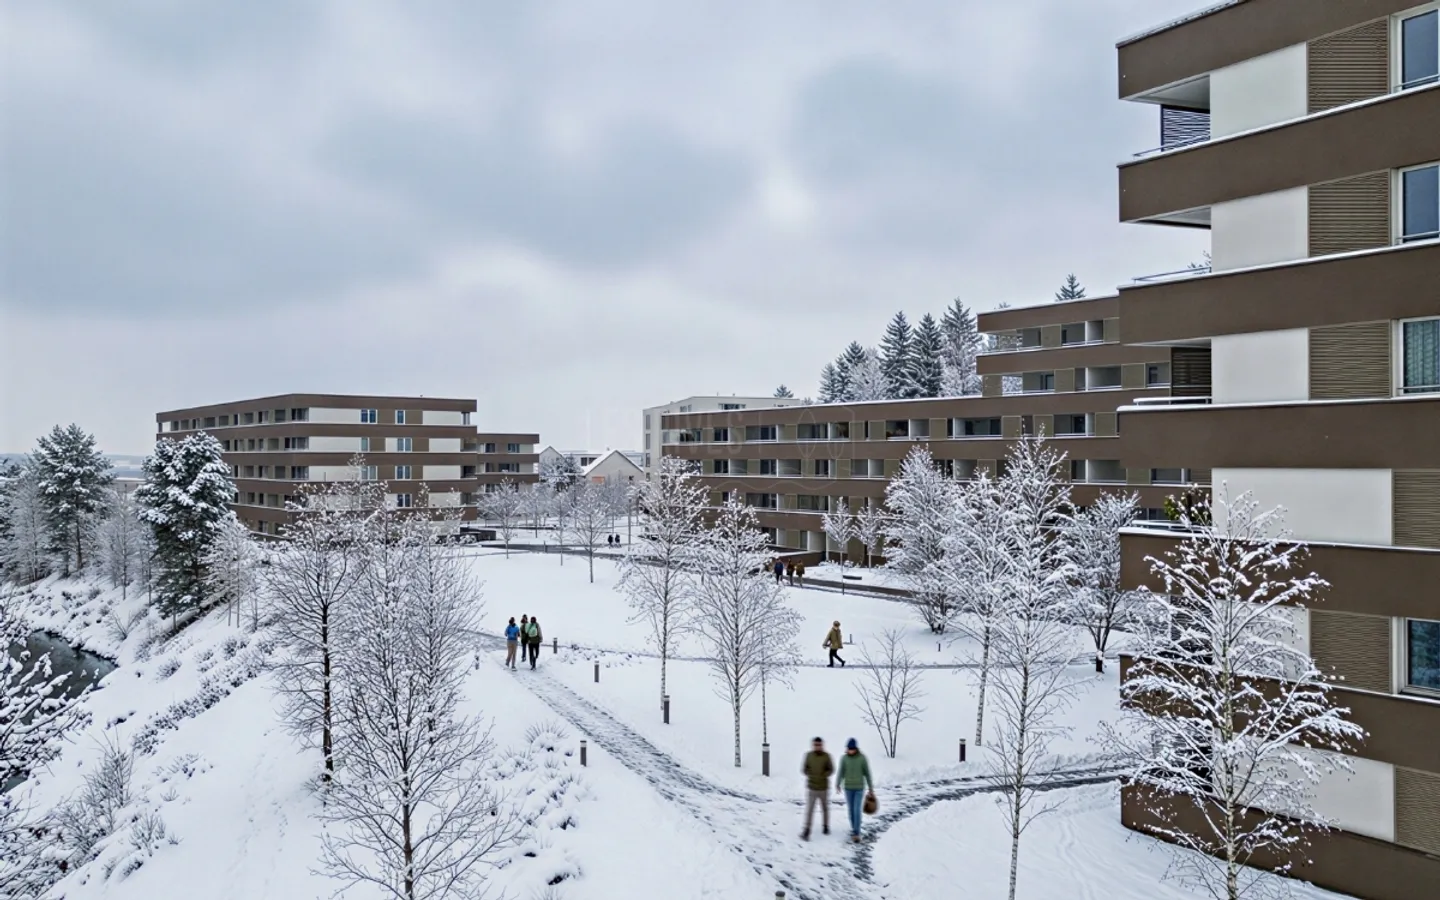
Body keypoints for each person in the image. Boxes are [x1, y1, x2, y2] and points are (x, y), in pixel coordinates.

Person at [836, 738, 873, 843]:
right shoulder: (844, 759)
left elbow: (867, 773)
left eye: (852, 748)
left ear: (856, 748)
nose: (850, 750)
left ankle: (857, 832)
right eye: (849, 748)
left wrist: (871, 788)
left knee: (857, 809)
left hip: (859, 788)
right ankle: (854, 829)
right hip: (848, 788)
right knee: (851, 810)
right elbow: (841, 772)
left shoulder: (862, 758)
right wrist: (837, 784)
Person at [800, 736, 834, 841]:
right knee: (810, 809)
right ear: (813, 745)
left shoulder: (827, 756)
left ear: (822, 745)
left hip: (823, 787)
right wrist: (809, 773)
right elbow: (804, 769)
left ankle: (826, 826)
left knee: (825, 808)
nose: (817, 746)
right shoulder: (808, 756)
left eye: (819, 745)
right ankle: (807, 829)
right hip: (812, 787)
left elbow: (831, 769)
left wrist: (825, 774)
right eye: (815, 745)